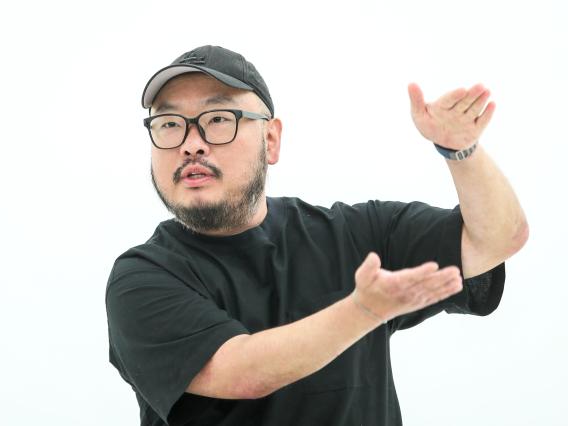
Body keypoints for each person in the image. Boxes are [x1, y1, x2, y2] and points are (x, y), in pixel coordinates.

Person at [105, 45, 528, 426]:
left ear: (270, 140)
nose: (190, 144)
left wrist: (462, 152)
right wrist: (363, 311)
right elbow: (244, 371)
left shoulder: (357, 236)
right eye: (169, 124)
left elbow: (495, 239)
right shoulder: (142, 278)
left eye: (218, 119)